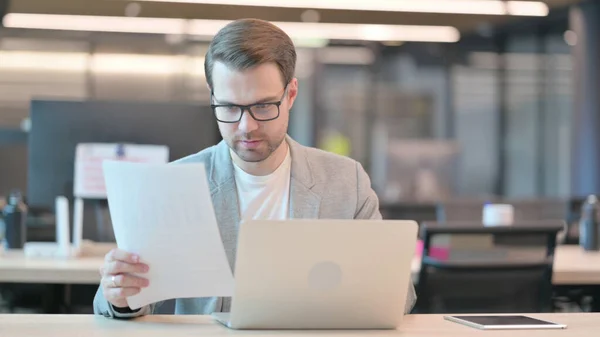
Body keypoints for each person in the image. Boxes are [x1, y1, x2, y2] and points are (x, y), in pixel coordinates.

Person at [93, 18, 416, 318]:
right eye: (230, 107)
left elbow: (399, 295)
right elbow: (124, 305)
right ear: (213, 97)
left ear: (290, 94)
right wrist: (119, 296)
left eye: (263, 106)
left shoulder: (345, 181)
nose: (247, 126)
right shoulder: (174, 184)